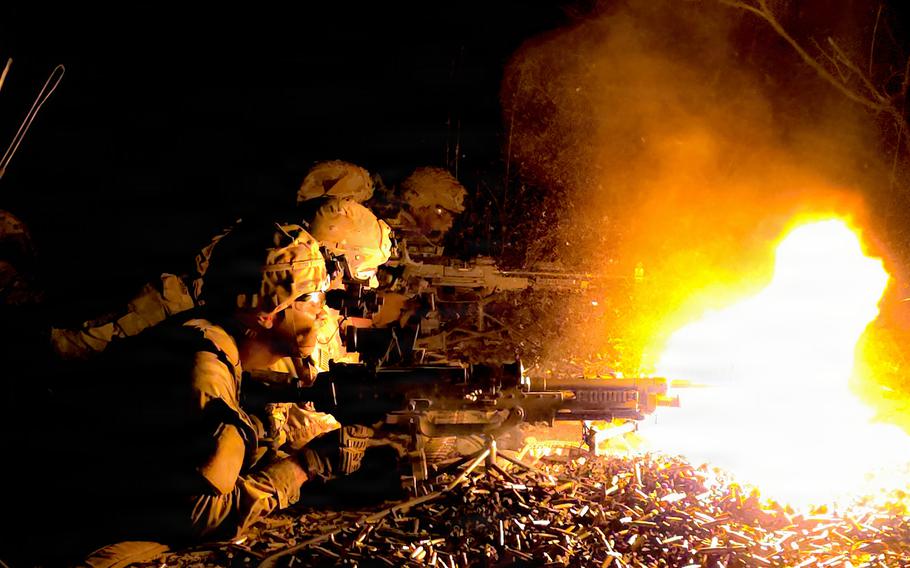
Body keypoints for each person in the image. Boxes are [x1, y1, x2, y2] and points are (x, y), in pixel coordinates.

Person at [7, 222, 376, 567]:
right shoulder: (204, 370)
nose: (321, 312)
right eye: (311, 299)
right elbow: (203, 515)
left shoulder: (208, 338)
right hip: (85, 541)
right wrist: (305, 466)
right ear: (265, 312)